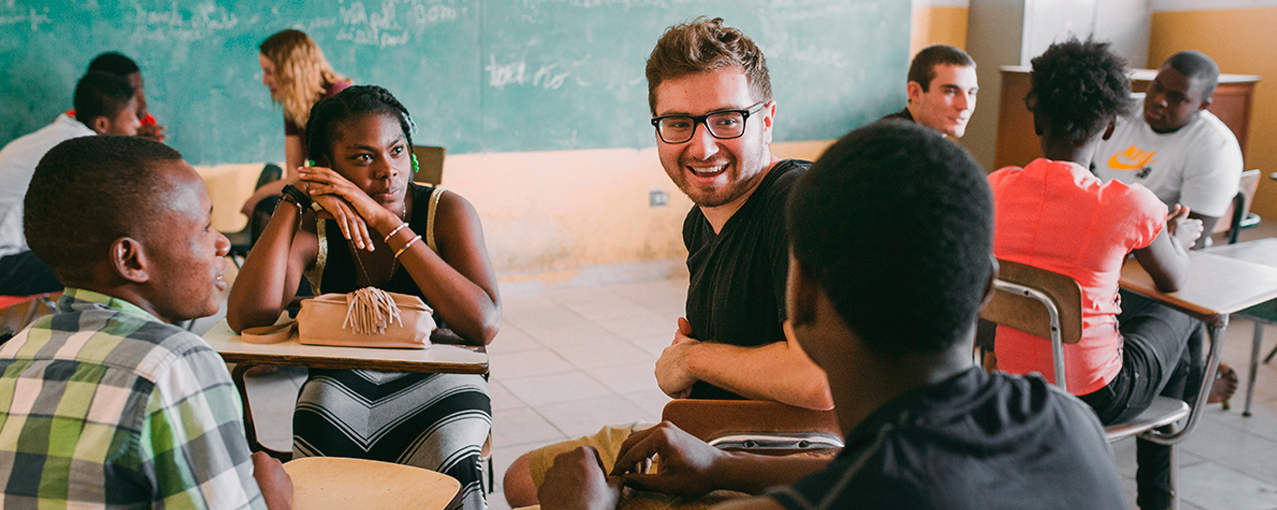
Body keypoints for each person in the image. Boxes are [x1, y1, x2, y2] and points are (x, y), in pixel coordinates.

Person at [536, 121, 1129, 510]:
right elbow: (882, 467)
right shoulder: (1069, 422)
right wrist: (724, 464)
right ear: (983, 290)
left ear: (800, 301)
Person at [502, 17, 832, 508]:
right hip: (706, 430)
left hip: (766, 456)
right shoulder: (699, 223)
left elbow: (817, 379)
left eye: (726, 120)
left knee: (564, 493)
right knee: (520, 479)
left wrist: (691, 358)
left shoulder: (796, 203)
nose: (702, 147)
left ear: (766, 119)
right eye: (679, 123)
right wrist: (694, 366)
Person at [226, 85, 499, 510]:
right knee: (319, 427)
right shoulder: (318, 225)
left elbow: (482, 323)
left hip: (441, 379)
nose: (388, 171)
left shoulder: (446, 211)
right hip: (343, 378)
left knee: (450, 445)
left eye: (395, 150)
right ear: (326, 167)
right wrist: (295, 197)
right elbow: (248, 316)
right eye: (363, 158)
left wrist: (385, 221)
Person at [0, 135, 292, 509]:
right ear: (131, 260)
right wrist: (274, 498)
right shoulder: (175, 365)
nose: (221, 245)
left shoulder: (13, 353)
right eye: (205, 227)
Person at [988, 38, 1217, 510]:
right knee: (1189, 314)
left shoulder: (996, 187)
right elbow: (1173, 280)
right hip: (1096, 393)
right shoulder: (1127, 204)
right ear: (1111, 125)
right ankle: (1158, 494)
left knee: (1128, 308)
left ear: (1036, 119)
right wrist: (1178, 240)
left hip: (1012, 378)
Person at [0, 71, 140, 295]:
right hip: (5, 263)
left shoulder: (57, 135)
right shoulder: (82, 150)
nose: (137, 125)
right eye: (132, 115)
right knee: (111, 263)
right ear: (102, 124)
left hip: (12, 255)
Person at [1091, 50, 1243, 248]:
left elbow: (1190, 238)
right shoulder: (1120, 113)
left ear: (1202, 106)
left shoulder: (1215, 147)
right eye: (1157, 87)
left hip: (1157, 254)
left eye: (1176, 97)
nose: (1159, 100)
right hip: (1098, 236)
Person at [240, 29, 352, 222]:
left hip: (345, 194)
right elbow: (295, 171)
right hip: (321, 190)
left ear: (292, 70)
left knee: (271, 206)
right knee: (272, 206)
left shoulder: (338, 98)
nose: (265, 81)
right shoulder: (294, 105)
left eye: (270, 72)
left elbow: (336, 173)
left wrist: (261, 193)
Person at [877, 44, 978, 138]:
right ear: (915, 92)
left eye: (971, 93)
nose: (965, 105)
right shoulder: (889, 144)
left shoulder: (933, 144)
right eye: (950, 92)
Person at [67, 52, 167, 142]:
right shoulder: (73, 126)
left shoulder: (147, 123)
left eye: (141, 89)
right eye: (131, 91)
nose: (142, 99)